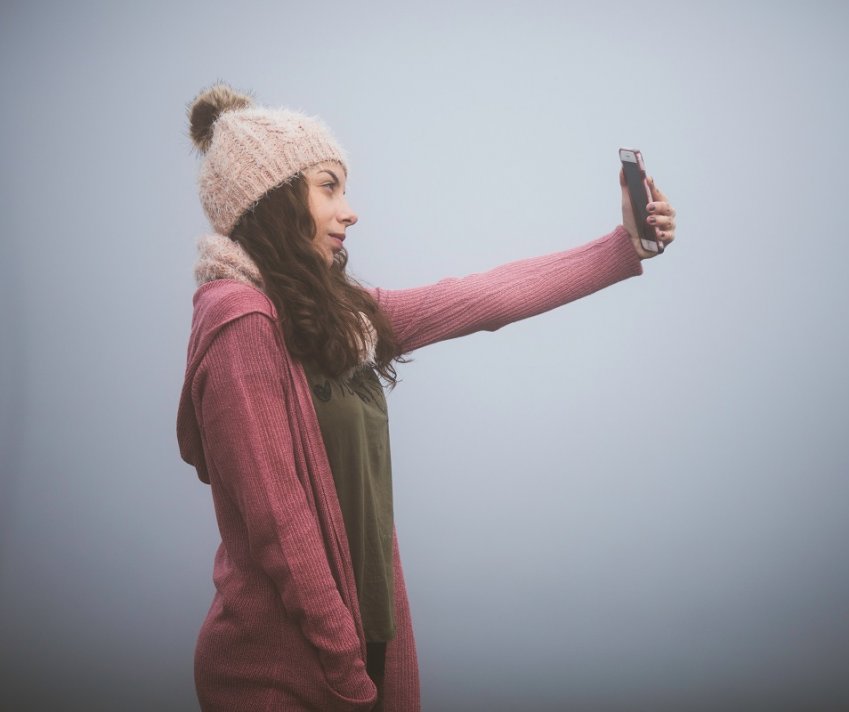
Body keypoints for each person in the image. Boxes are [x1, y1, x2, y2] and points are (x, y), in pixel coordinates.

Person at [176, 83, 677, 712]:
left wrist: (622, 246)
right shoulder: (241, 322)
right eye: (329, 186)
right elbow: (284, 527)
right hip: (283, 675)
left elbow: (479, 298)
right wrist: (347, 674)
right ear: (274, 200)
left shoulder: (334, 318)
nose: (350, 210)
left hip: (364, 648)